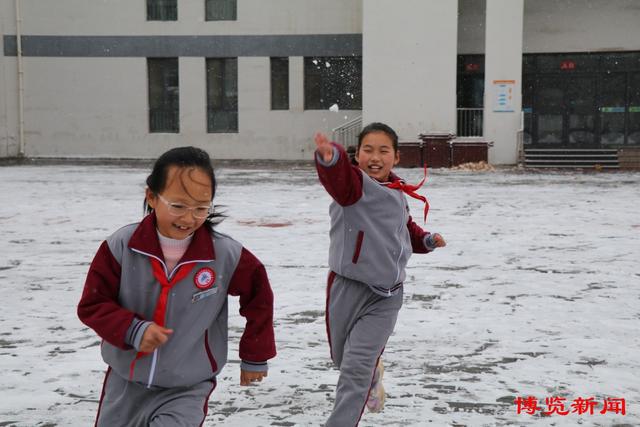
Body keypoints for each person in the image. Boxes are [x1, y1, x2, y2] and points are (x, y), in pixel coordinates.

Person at [78, 146, 276, 426]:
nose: (188, 218)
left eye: (201, 208)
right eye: (178, 206)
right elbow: (92, 305)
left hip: (188, 387)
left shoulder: (225, 255)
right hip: (125, 383)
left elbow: (259, 296)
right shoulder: (121, 246)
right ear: (152, 196)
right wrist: (132, 329)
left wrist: (255, 354)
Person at [314, 123, 446, 426]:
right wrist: (330, 157)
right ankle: (372, 373)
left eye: (383, 150)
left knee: (354, 370)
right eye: (368, 150)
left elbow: (404, 229)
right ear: (357, 155)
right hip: (347, 290)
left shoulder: (397, 192)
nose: (376, 157)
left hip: (386, 296)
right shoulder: (353, 187)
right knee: (343, 361)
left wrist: (426, 240)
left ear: (396, 156)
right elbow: (337, 176)